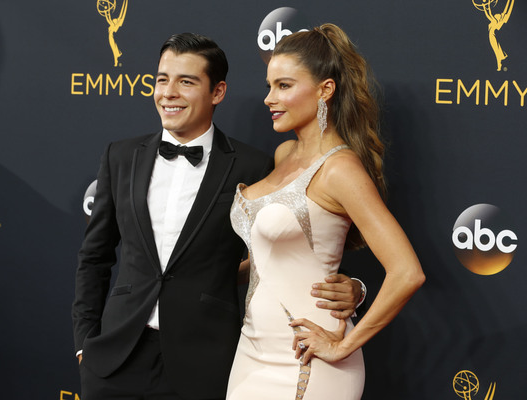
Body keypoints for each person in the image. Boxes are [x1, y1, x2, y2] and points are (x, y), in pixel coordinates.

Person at [72, 32, 364, 400]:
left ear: (218, 92)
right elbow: (94, 257)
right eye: (162, 79)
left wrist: (353, 287)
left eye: (186, 82)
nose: (168, 93)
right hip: (116, 358)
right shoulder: (120, 157)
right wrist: (85, 344)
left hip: (205, 362)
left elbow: (290, 246)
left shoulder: (253, 166)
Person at [226, 24, 425, 400]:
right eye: (269, 85)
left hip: (309, 360)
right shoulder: (285, 153)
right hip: (251, 351)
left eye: (284, 86)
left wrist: (342, 346)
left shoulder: (340, 169)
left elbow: (407, 272)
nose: (269, 98)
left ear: (325, 90)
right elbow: (273, 260)